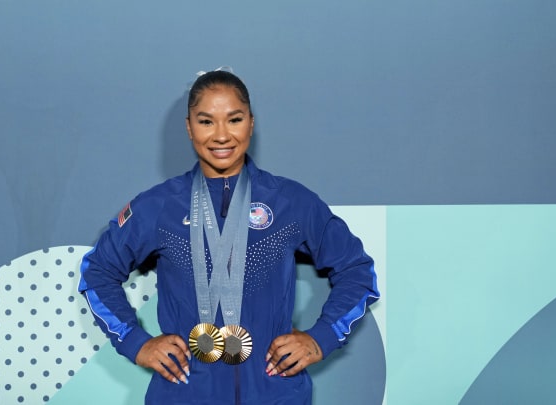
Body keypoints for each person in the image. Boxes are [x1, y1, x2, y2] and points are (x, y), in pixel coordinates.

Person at [78, 69, 379, 404]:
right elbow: (97, 272)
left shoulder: (290, 202)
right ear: (189, 127)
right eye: (206, 122)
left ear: (251, 123)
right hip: (183, 393)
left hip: (275, 393)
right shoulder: (159, 206)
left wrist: (321, 337)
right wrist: (136, 342)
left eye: (233, 120)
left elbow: (357, 271)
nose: (221, 135)